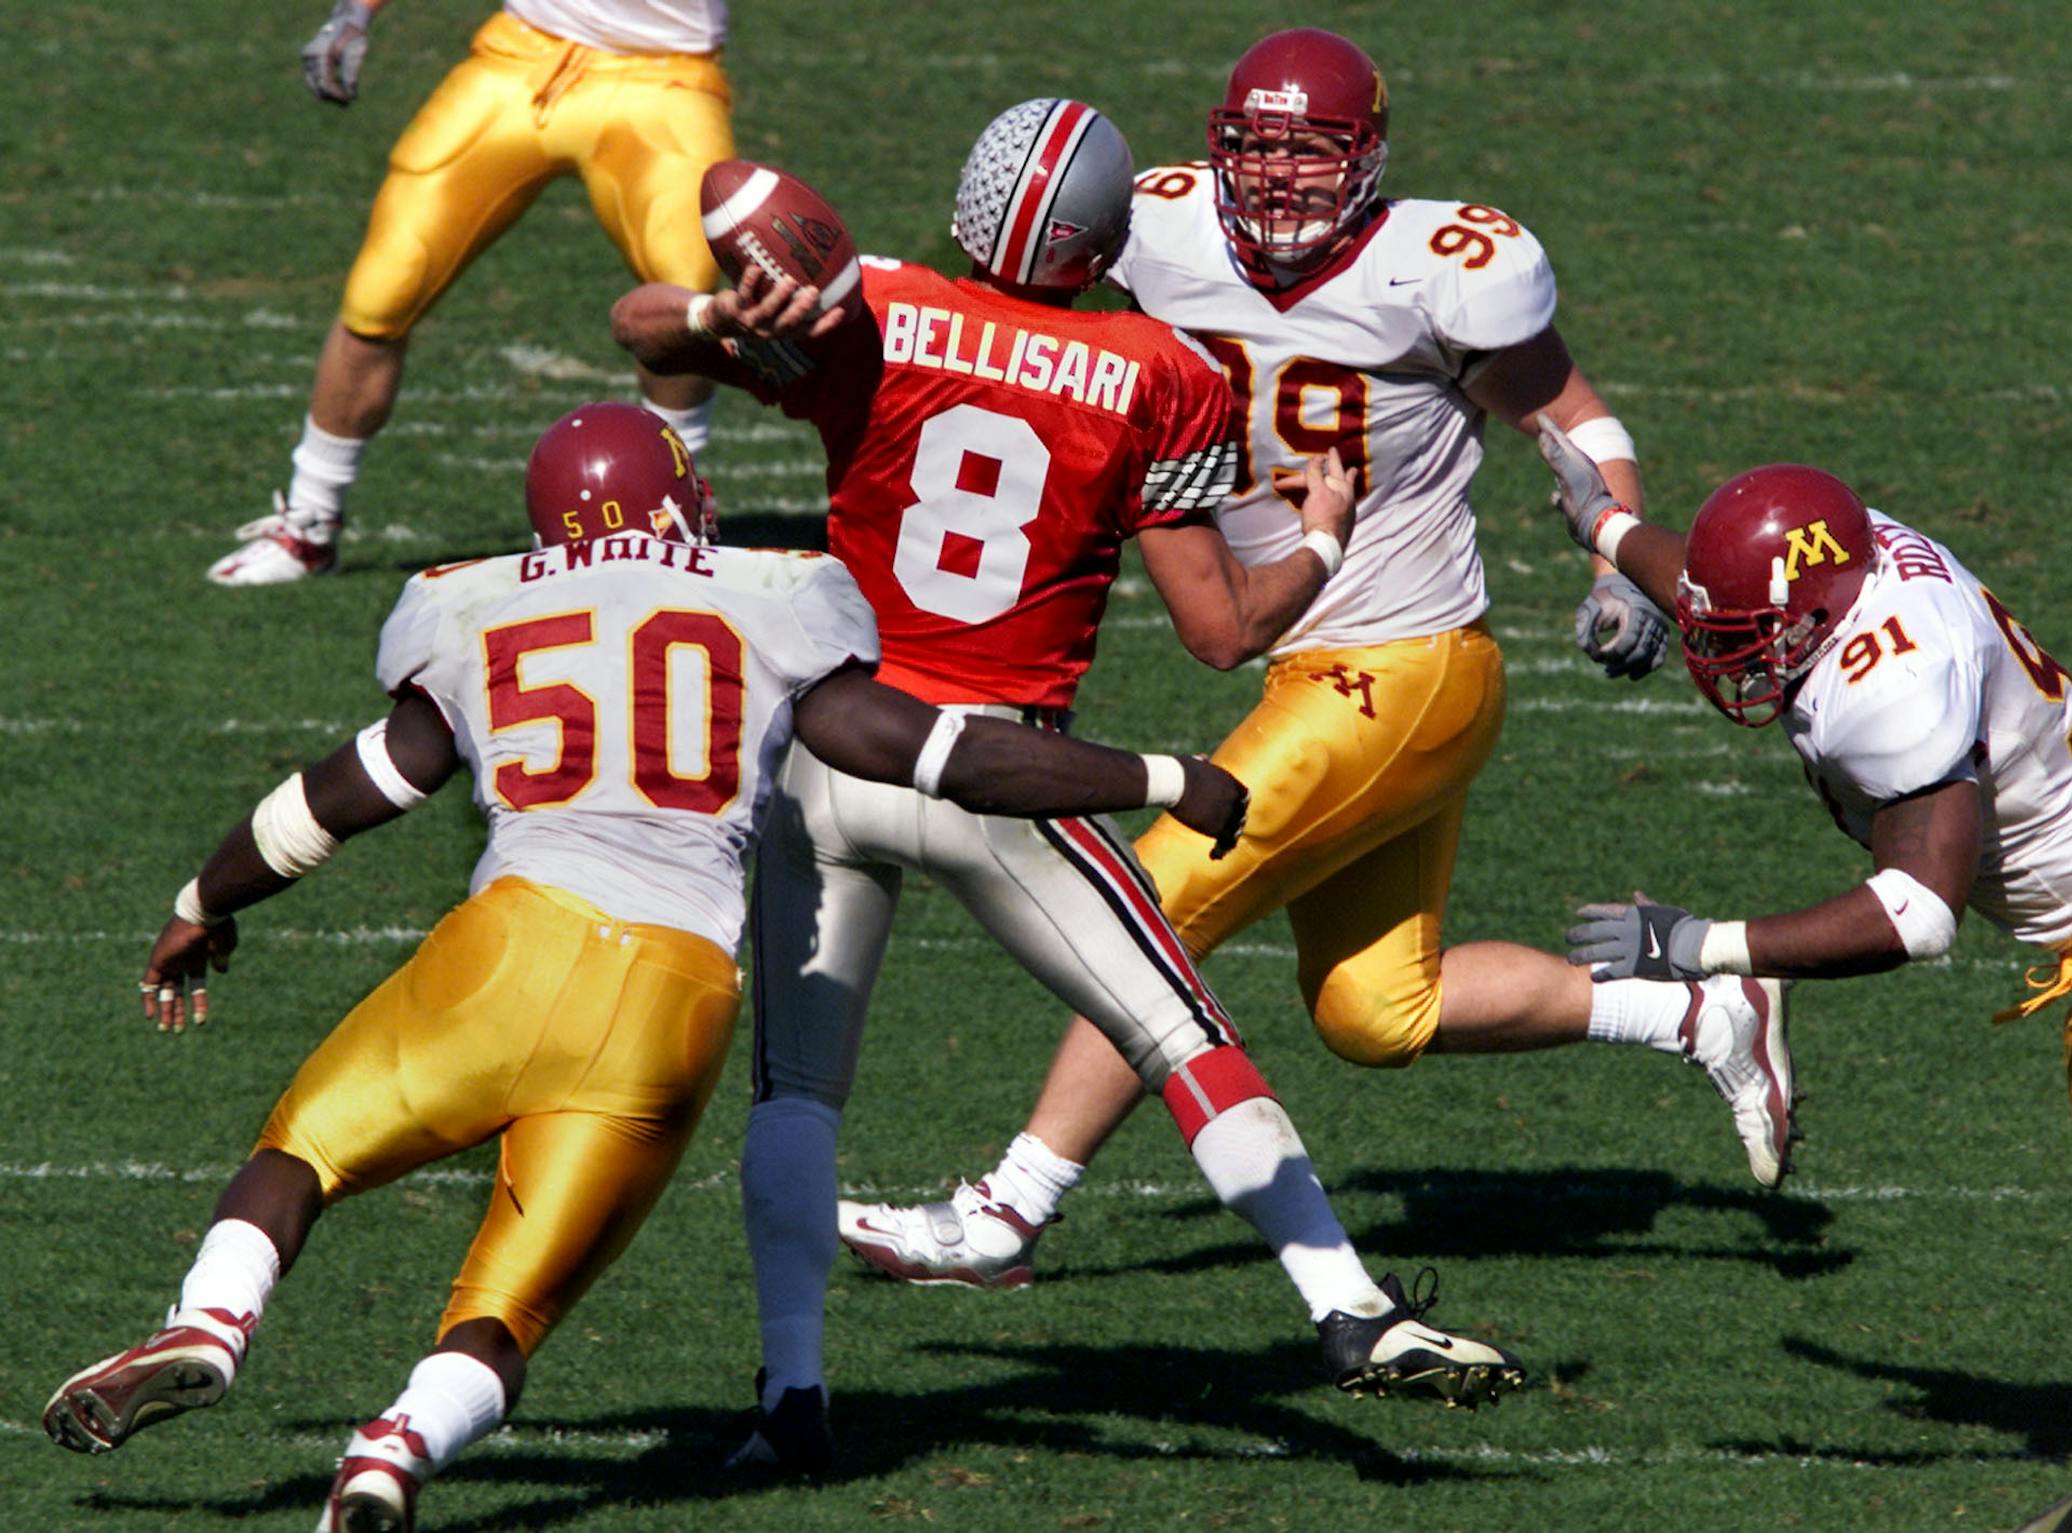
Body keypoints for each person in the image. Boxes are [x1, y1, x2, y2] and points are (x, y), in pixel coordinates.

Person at [41, 402, 1255, 1531]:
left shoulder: (470, 603)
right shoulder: (771, 592)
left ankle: (212, 1323)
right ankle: (395, 1451)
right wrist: (1163, 775)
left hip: (514, 948)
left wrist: (204, 901)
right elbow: (947, 756)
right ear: (676, 501)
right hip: (675, 1003)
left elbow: (343, 796)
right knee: (507, 1310)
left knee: (299, 1154)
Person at [613, 97, 1527, 1469]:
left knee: (797, 1094)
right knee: (1185, 1038)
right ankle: (1348, 1309)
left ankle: (791, 1394)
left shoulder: (880, 311)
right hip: (1003, 771)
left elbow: (639, 329)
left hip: (832, 747)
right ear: (1106, 246)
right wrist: (1327, 540)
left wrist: (724, 312)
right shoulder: (1158, 369)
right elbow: (1222, 629)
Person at [834, 27, 1789, 1295]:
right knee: (1375, 1013)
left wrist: (1617, 552)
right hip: (1320, 666)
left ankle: (1010, 1211)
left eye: (1312, 153)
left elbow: (1568, 412)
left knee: (1151, 903)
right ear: (1217, 147)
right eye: (1257, 149)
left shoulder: (1442, 269)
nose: (1280, 179)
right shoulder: (1156, 227)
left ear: (1369, 158)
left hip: (1405, 662)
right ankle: (1700, 1009)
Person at [1535, 419, 2072, 1528]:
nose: (1723, 654)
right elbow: (1738, 588)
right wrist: (1609, 527)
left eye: (1747, 638)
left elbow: (1916, 914)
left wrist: (1701, 948)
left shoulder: (1896, 678)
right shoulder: (1839, 565)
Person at [209, 0, 734, 586]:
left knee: (687, 301)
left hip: (666, 78)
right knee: (382, 290)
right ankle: (309, 520)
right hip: (518, 60)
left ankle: (675, 506)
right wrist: (356, 12)